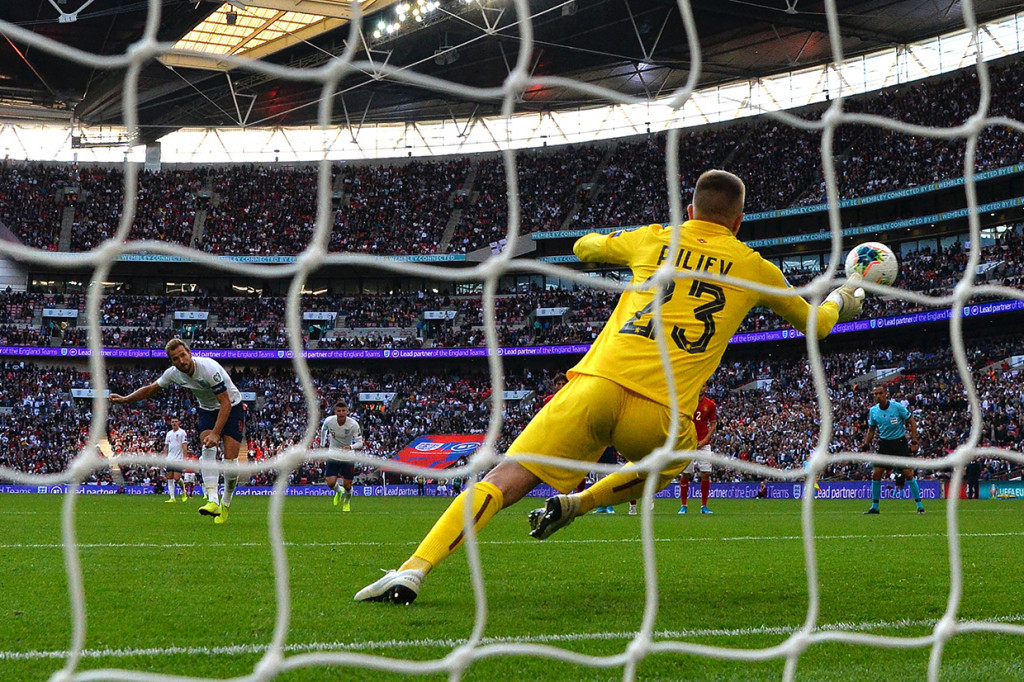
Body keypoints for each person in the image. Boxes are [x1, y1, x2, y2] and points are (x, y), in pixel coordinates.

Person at [354, 169, 865, 605]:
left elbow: (583, 247)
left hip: (597, 386)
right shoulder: (755, 267)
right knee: (674, 461)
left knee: (503, 478)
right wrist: (843, 298)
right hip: (661, 412)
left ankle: (413, 569)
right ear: (738, 222)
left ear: (690, 209)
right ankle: (578, 504)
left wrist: (612, 244)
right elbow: (817, 326)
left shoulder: (653, 238)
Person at [110, 338, 246, 525]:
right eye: (176, 358)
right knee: (207, 446)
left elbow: (226, 403)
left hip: (232, 406)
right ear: (171, 361)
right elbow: (150, 389)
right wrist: (126, 399)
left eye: (183, 355)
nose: (181, 361)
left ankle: (226, 504)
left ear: (190, 353)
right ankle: (213, 501)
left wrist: (216, 433)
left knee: (230, 463)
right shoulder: (173, 374)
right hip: (207, 409)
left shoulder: (208, 368)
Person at [860, 384, 925, 514]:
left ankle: (919, 505)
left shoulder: (897, 407)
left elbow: (912, 422)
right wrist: (866, 444)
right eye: (875, 394)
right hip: (884, 444)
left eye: (880, 393)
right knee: (876, 474)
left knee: (908, 474)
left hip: (899, 443)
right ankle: (875, 507)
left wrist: (914, 441)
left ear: (885, 394)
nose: (877, 396)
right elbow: (871, 429)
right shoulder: (873, 411)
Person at [319, 399, 364, 512]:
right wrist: (322, 444)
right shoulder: (329, 421)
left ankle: (346, 502)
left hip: (348, 456)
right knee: (330, 483)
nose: (341, 413)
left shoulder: (353, 424)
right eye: (339, 411)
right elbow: (323, 430)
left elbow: (360, 443)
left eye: (343, 410)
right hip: (333, 454)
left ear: (347, 412)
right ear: (335, 412)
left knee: (348, 485)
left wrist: (351, 447)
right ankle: (339, 491)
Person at [679, 385, 716, 514]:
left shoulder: (710, 404)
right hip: (688, 443)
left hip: (703, 443)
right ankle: (684, 505)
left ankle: (704, 506)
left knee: (705, 473)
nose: (701, 388)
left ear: (706, 388)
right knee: (686, 474)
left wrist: (704, 440)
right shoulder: (688, 402)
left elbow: (713, 424)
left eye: (703, 386)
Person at [162, 417, 190, 503]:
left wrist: (185, 458)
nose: (174, 423)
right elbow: (166, 446)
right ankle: (172, 498)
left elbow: (184, 445)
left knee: (177, 478)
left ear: (179, 423)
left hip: (179, 458)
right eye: (173, 422)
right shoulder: (169, 434)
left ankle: (183, 491)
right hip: (170, 458)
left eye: (176, 422)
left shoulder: (182, 433)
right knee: (169, 477)